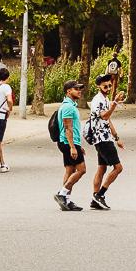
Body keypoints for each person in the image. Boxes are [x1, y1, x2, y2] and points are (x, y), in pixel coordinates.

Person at [87, 73, 123, 210]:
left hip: (105, 137)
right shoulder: (98, 100)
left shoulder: (105, 99)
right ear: (99, 86)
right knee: (118, 168)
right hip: (101, 139)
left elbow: (108, 121)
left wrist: (117, 137)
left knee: (101, 168)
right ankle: (100, 194)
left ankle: (94, 200)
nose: (108, 87)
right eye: (105, 85)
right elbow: (105, 115)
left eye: (109, 85)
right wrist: (114, 104)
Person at [54, 80, 87, 211]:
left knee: (70, 170)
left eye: (80, 89)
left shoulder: (70, 105)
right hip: (68, 142)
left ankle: (66, 201)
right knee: (81, 170)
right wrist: (73, 147)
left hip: (69, 142)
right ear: (68, 91)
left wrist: (78, 145)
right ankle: (62, 194)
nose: (79, 91)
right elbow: (68, 128)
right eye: (76, 89)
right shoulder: (68, 107)